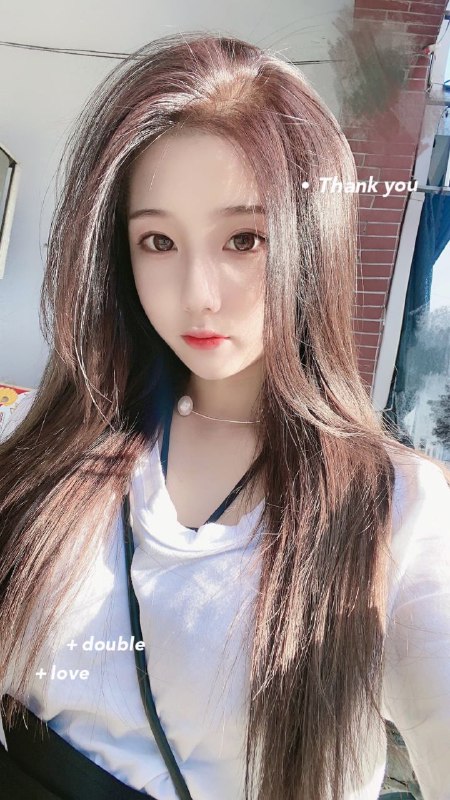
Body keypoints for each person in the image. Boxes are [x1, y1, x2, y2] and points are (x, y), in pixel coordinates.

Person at [0, 30, 449, 800]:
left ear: (311, 242)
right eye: (158, 241)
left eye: (244, 239)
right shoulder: (47, 441)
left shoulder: (393, 509)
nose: (198, 294)